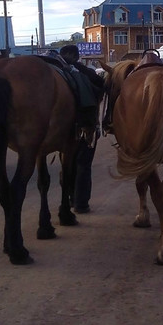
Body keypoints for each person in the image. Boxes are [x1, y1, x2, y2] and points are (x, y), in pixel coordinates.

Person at [59, 44, 105, 214]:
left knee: (67, 163)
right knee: (83, 164)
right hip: (86, 127)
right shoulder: (87, 74)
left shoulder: (59, 74)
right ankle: (81, 203)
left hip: (63, 128)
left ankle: (70, 199)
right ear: (78, 57)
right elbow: (102, 88)